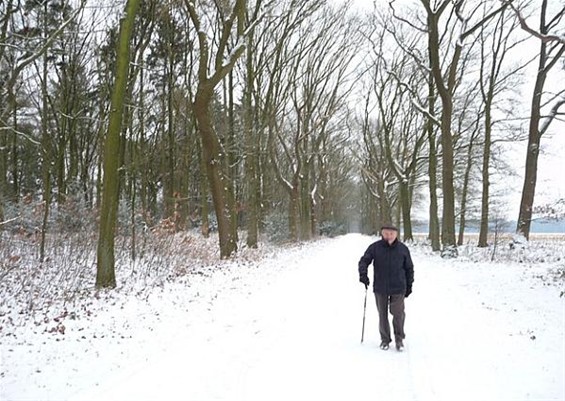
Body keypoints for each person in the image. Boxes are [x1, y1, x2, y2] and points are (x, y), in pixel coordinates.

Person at [358, 225, 414, 351]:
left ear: (396, 234)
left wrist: (409, 285)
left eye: (391, 233)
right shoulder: (375, 248)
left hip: (398, 286)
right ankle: (385, 339)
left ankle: (399, 339)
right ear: (382, 234)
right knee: (382, 315)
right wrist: (363, 275)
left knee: (398, 313)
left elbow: (409, 268)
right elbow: (364, 261)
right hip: (380, 287)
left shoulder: (403, 249)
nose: (389, 236)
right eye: (386, 233)